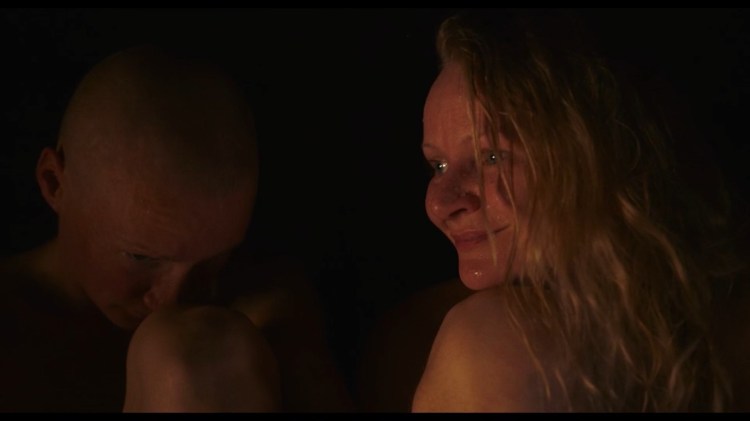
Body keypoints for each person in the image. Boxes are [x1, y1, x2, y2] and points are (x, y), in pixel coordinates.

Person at [360, 10, 748, 412]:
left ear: (597, 153)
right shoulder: (423, 342)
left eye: (491, 156)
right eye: (438, 166)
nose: (441, 204)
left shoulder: (481, 343)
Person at [0, 44, 351, 412]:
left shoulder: (261, 307)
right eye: (141, 257)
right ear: (54, 183)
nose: (173, 300)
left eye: (216, 259)